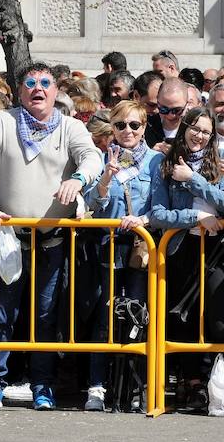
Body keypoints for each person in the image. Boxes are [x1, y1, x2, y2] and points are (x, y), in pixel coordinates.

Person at [0, 62, 103, 411]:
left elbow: (92, 157)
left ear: (56, 90)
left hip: (52, 240)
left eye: (45, 83)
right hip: (10, 238)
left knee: (46, 316)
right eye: (30, 83)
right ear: (20, 89)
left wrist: (80, 180)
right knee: (2, 314)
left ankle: (43, 385)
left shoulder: (70, 126)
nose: (38, 89)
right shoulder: (2, 121)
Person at [149, 107, 224, 411]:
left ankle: (217, 379)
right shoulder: (164, 163)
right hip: (180, 246)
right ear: (184, 128)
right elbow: (158, 215)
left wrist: (194, 179)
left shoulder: (220, 160)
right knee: (181, 317)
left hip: (216, 248)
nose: (199, 136)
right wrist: (196, 216)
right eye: (194, 128)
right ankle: (192, 381)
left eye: (205, 131)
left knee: (218, 317)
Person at [82, 100, 162, 411]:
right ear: (112, 128)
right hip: (108, 246)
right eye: (120, 125)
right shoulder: (103, 158)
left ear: (143, 128)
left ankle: (137, 386)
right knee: (104, 318)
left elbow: (160, 204)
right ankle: (98, 387)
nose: (127, 131)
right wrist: (105, 177)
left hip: (142, 249)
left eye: (134, 125)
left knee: (139, 316)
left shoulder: (156, 161)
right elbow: (93, 206)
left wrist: (144, 220)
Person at [145, 77, 189, 152]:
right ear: (157, 103)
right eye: (164, 109)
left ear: (187, 105)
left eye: (177, 110)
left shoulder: (194, 128)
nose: (170, 115)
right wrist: (148, 154)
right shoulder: (144, 126)